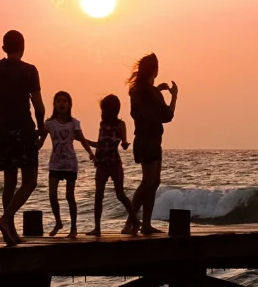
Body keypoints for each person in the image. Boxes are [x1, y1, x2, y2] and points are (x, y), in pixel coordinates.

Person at [0, 30, 45, 246]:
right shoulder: (29, 70)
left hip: (1, 130)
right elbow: (39, 105)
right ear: (23, 46)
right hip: (23, 129)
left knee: (9, 180)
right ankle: (6, 219)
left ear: (3, 48)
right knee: (30, 181)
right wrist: (41, 128)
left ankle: (10, 232)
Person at [124, 53, 177, 235]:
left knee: (153, 182)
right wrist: (174, 97)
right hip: (151, 140)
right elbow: (167, 116)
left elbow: (145, 106)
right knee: (149, 182)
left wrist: (158, 90)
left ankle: (144, 223)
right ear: (154, 70)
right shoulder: (150, 93)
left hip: (142, 139)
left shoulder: (137, 91)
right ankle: (131, 222)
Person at [38, 91, 94, 237]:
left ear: (69, 104)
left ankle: (73, 228)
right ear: (54, 105)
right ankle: (58, 222)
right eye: (58, 101)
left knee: (70, 196)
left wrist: (90, 152)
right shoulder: (49, 123)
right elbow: (40, 142)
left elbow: (81, 139)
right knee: (52, 194)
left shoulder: (74, 123)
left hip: (70, 163)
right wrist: (31, 150)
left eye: (64, 101)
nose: (61, 103)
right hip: (55, 163)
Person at [87, 94, 137, 236]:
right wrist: (84, 141)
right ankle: (97, 227)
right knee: (98, 196)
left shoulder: (120, 125)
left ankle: (135, 220)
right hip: (101, 165)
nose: (103, 113)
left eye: (105, 110)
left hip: (115, 163)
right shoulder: (102, 125)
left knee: (120, 194)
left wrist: (125, 143)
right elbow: (100, 144)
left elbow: (124, 143)